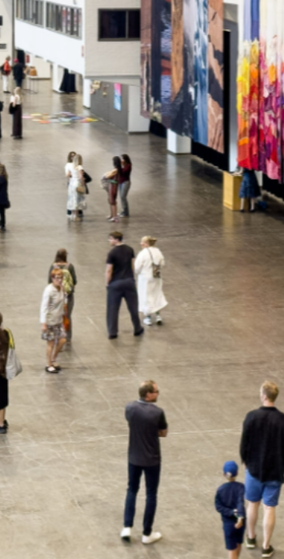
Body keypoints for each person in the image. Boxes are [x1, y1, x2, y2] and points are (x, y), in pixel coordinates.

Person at [239, 381, 284, 557]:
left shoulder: (251, 416)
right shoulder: (283, 419)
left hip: (254, 469)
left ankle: (250, 537)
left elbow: (244, 444)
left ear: (263, 396)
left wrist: (246, 461)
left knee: (252, 503)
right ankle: (266, 546)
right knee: (269, 508)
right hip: (275, 471)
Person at [120, 380, 166, 545]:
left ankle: (127, 526)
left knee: (132, 490)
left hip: (134, 457)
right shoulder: (157, 412)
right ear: (148, 395)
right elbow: (163, 432)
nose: (158, 393)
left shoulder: (130, 408)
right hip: (152, 459)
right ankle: (147, 533)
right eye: (156, 391)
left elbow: (130, 422)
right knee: (151, 494)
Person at [105, 231, 143, 339]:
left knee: (112, 308)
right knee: (133, 307)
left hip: (115, 283)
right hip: (129, 282)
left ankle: (112, 332)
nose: (109, 241)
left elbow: (108, 270)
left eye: (111, 238)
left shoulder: (111, 253)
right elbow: (133, 265)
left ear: (117, 240)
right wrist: (132, 278)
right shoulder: (129, 249)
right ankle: (137, 328)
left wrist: (107, 283)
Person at [215, 461, 247, 559]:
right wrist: (240, 516)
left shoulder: (220, 490)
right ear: (237, 473)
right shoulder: (241, 487)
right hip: (240, 523)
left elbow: (218, 507)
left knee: (231, 550)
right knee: (238, 543)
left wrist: (231, 512)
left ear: (224, 474)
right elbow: (240, 502)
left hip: (228, 524)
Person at [134, 236, 168, 326]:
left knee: (146, 297)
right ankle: (158, 316)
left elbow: (137, 267)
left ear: (147, 243)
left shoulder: (142, 253)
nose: (141, 243)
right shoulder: (158, 251)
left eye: (142, 242)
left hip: (145, 278)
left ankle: (148, 317)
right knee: (157, 294)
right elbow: (162, 263)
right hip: (156, 277)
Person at [40, 268, 68, 373]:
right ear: (52, 278)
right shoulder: (48, 290)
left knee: (63, 340)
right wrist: (43, 323)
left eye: (61, 277)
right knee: (50, 343)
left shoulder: (62, 288)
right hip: (50, 321)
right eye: (57, 278)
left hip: (59, 320)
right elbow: (44, 307)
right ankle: (48, 364)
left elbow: (64, 299)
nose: (59, 280)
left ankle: (53, 359)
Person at [50, 248, 77, 345]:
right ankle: (68, 338)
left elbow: (49, 282)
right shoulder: (70, 267)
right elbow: (74, 281)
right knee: (67, 316)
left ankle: (58, 337)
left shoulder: (53, 267)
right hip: (68, 297)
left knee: (57, 317)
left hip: (56, 297)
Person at [66, 153, 88, 220]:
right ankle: (76, 216)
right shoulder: (79, 167)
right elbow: (81, 177)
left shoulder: (70, 166)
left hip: (71, 184)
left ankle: (72, 215)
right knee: (77, 200)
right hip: (77, 183)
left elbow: (68, 175)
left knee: (72, 199)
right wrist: (83, 183)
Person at [103, 156, 122, 222]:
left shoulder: (115, 170)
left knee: (112, 201)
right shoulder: (118, 169)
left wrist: (106, 174)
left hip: (112, 186)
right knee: (111, 200)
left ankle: (114, 216)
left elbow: (107, 176)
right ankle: (112, 215)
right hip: (114, 185)